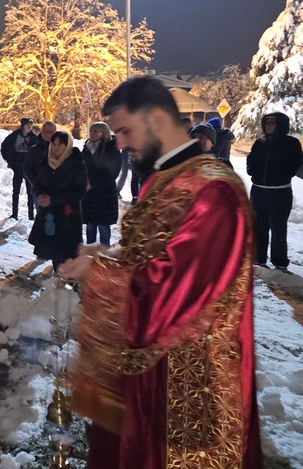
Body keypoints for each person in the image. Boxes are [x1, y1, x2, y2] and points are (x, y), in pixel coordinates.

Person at [60, 76, 261, 469]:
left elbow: (176, 290)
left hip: (190, 384)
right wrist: (110, 254)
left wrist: (99, 273)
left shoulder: (214, 191)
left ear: (155, 120)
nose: (118, 143)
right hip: (147, 369)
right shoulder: (163, 179)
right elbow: (152, 255)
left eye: (124, 130)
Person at [246, 112, 303, 272]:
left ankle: (279, 262)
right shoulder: (259, 142)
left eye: (272, 123)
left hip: (280, 192)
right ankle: (259, 258)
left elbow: (296, 162)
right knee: (259, 226)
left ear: (281, 125)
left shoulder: (291, 143)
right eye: (266, 123)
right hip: (258, 191)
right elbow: (251, 159)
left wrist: (283, 173)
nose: (268, 126)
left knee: (278, 228)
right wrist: (251, 170)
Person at [27, 130, 86, 269]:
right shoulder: (46, 161)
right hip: (49, 217)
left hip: (67, 217)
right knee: (53, 253)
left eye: (61, 145)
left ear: (68, 146)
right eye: (54, 144)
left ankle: (68, 286)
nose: (56, 148)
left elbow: (79, 192)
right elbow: (38, 183)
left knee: (66, 256)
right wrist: (40, 194)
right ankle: (57, 282)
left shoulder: (76, 163)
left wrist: (52, 199)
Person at [81, 121, 122, 246]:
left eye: (96, 131)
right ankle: (89, 253)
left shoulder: (111, 149)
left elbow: (112, 172)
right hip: (89, 194)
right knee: (90, 225)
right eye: (91, 131)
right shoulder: (87, 148)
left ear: (103, 133)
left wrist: (92, 183)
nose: (92, 134)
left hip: (104, 193)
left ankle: (104, 254)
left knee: (103, 226)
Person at [1, 117, 39, 219]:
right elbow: (4, 147)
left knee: (30, 192)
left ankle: (31, 215)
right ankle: (15, 213)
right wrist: (10, 161)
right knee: (16, 191)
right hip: (17, 167)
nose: (30, 128)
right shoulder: (14, 136)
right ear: (23, 126)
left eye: (31, 126)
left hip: (28, 168)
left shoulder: (34, 138)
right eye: (28, 125)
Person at [23, 120, 57, 193]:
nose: (47, 134)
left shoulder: (62, 148)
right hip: (40, 191)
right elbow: (27, 169)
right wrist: (37, 184)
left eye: (50, 132)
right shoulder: (34, 150)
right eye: (45, 132)